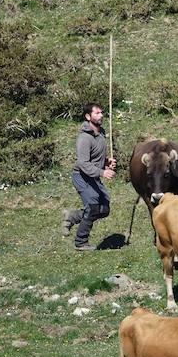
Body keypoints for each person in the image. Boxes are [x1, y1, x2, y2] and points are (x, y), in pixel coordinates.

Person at [62, 103, 116, 251]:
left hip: (93, 176)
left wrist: (106, 163)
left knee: (104, 209)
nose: (101, 115)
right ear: (88, 117)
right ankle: (80, 242)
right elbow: (83, 163)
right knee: (93, 207)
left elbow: (96, 158)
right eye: (97, 113)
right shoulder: (84, 138)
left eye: (101, 112)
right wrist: (102, 172)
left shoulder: (101, 132)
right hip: (81, 176)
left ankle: (72, 217)